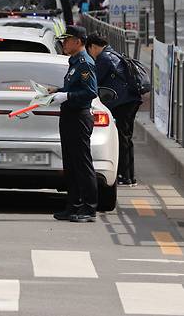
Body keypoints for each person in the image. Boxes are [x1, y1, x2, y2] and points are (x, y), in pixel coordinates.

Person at [48, 26, 99, 222]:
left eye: (67, 40)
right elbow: (73, 86)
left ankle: (89, 207)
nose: (64, 43)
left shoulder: (85, 63)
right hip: (69, 116)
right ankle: (73, 205)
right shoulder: (75, 61)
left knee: (82, 164)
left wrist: (66, 95)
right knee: (70, 164)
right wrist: (57, 91)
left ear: (78, 41)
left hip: (79, 116)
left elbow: (90, 92)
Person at [86, 33, 142, 186]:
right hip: (131, 99)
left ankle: (124, 175)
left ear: (93, 47)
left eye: (89, 50)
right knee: (126, 138)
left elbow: (95, 81)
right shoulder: (114, 53)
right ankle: (129, 176)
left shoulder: (104, 58)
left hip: (122, 102)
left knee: (122, 138)